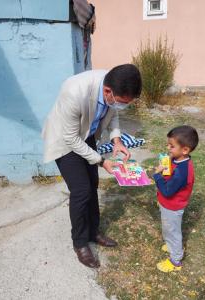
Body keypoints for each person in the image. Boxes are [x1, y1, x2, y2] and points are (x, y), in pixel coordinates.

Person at [42, 64, 142, 268]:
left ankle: (93, 231)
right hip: (65, 139)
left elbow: (113, 113)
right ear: (108, 92)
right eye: (123, 102)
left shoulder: (112, 87)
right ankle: (80, 242)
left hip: (85, 135)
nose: (122, 106)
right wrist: (101, 160)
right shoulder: (74, 92)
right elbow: (70, 138)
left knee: (92, 184)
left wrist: (117, 140)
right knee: (81, 190)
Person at [153, 125, 199, 272]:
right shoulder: (179, 160)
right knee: (169, 229)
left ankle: (176, 260)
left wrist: (157, 175)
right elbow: (170, 177)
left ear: (185, 150)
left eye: (171, 146)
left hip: (172, 206)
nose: (168, 148)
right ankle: (173, 245)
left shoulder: (182, 172)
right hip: (168, 204)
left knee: (172, 231)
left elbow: (167, 191)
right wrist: (166, 168)